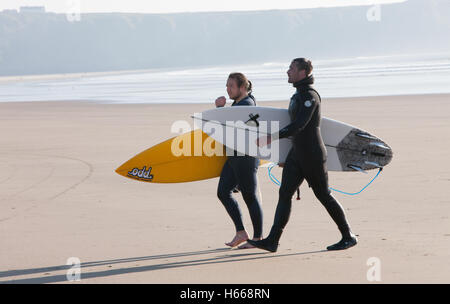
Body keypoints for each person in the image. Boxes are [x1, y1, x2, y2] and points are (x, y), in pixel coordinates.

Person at [248, 58, 357, 252]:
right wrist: (284, 155)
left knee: (323, 195)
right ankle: (272, 240)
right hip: (297, 154)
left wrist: (271, 138)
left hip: (312, 155)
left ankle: (348, 236)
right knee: (284, 194)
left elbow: (299, 126)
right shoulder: (298, 94)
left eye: (292, 68)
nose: (287, 71)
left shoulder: (310, 96)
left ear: (304, 72)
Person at [215, 72, 263, 249]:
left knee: (250, 196)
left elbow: (230, 128)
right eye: (227, 86)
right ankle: (241, 232)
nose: (227, 89)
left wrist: (220, 109)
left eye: (231, 86)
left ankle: (257, 239)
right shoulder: (239, 104)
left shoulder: (247, 105)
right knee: (223, 192)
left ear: (242, 88)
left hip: (245, 158)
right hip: (234, 156)